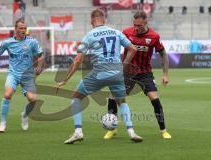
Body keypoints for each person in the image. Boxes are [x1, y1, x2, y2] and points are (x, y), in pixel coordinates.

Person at [55, 9, 143, 144]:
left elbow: (78, 59)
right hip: (116, 72)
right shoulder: (116, 32)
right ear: (104, 19)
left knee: (77, 97)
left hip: (99, 73)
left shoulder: (89, 35)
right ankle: (131, 131)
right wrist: (123, 65)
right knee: (122, 101)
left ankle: (78, 132)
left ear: (92, 20)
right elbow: (133, 49)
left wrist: (65, 80)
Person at [104, 11, 172, 139]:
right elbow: (115, 48)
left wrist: (165, 74)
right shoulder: (126, 33)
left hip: (144, 73)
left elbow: (163, 54)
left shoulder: (154, 36)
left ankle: (163, 130)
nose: (136, 28)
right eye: (134, 25)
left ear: (146, 22)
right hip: (127, 73)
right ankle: (112, 129)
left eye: (139, 25)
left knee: (155, 99)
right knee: (113, 96)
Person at [0, 19, 44, 133]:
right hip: (13, 74)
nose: (23, 30)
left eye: (25, 28)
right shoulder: (7, 42)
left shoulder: (32, 42)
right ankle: (2, 123)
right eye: (21, 28)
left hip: (27, 76)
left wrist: (39, 67)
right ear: (15, 29)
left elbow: (40, 56)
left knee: (33, 99)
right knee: (7, 95)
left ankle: (25, 115)